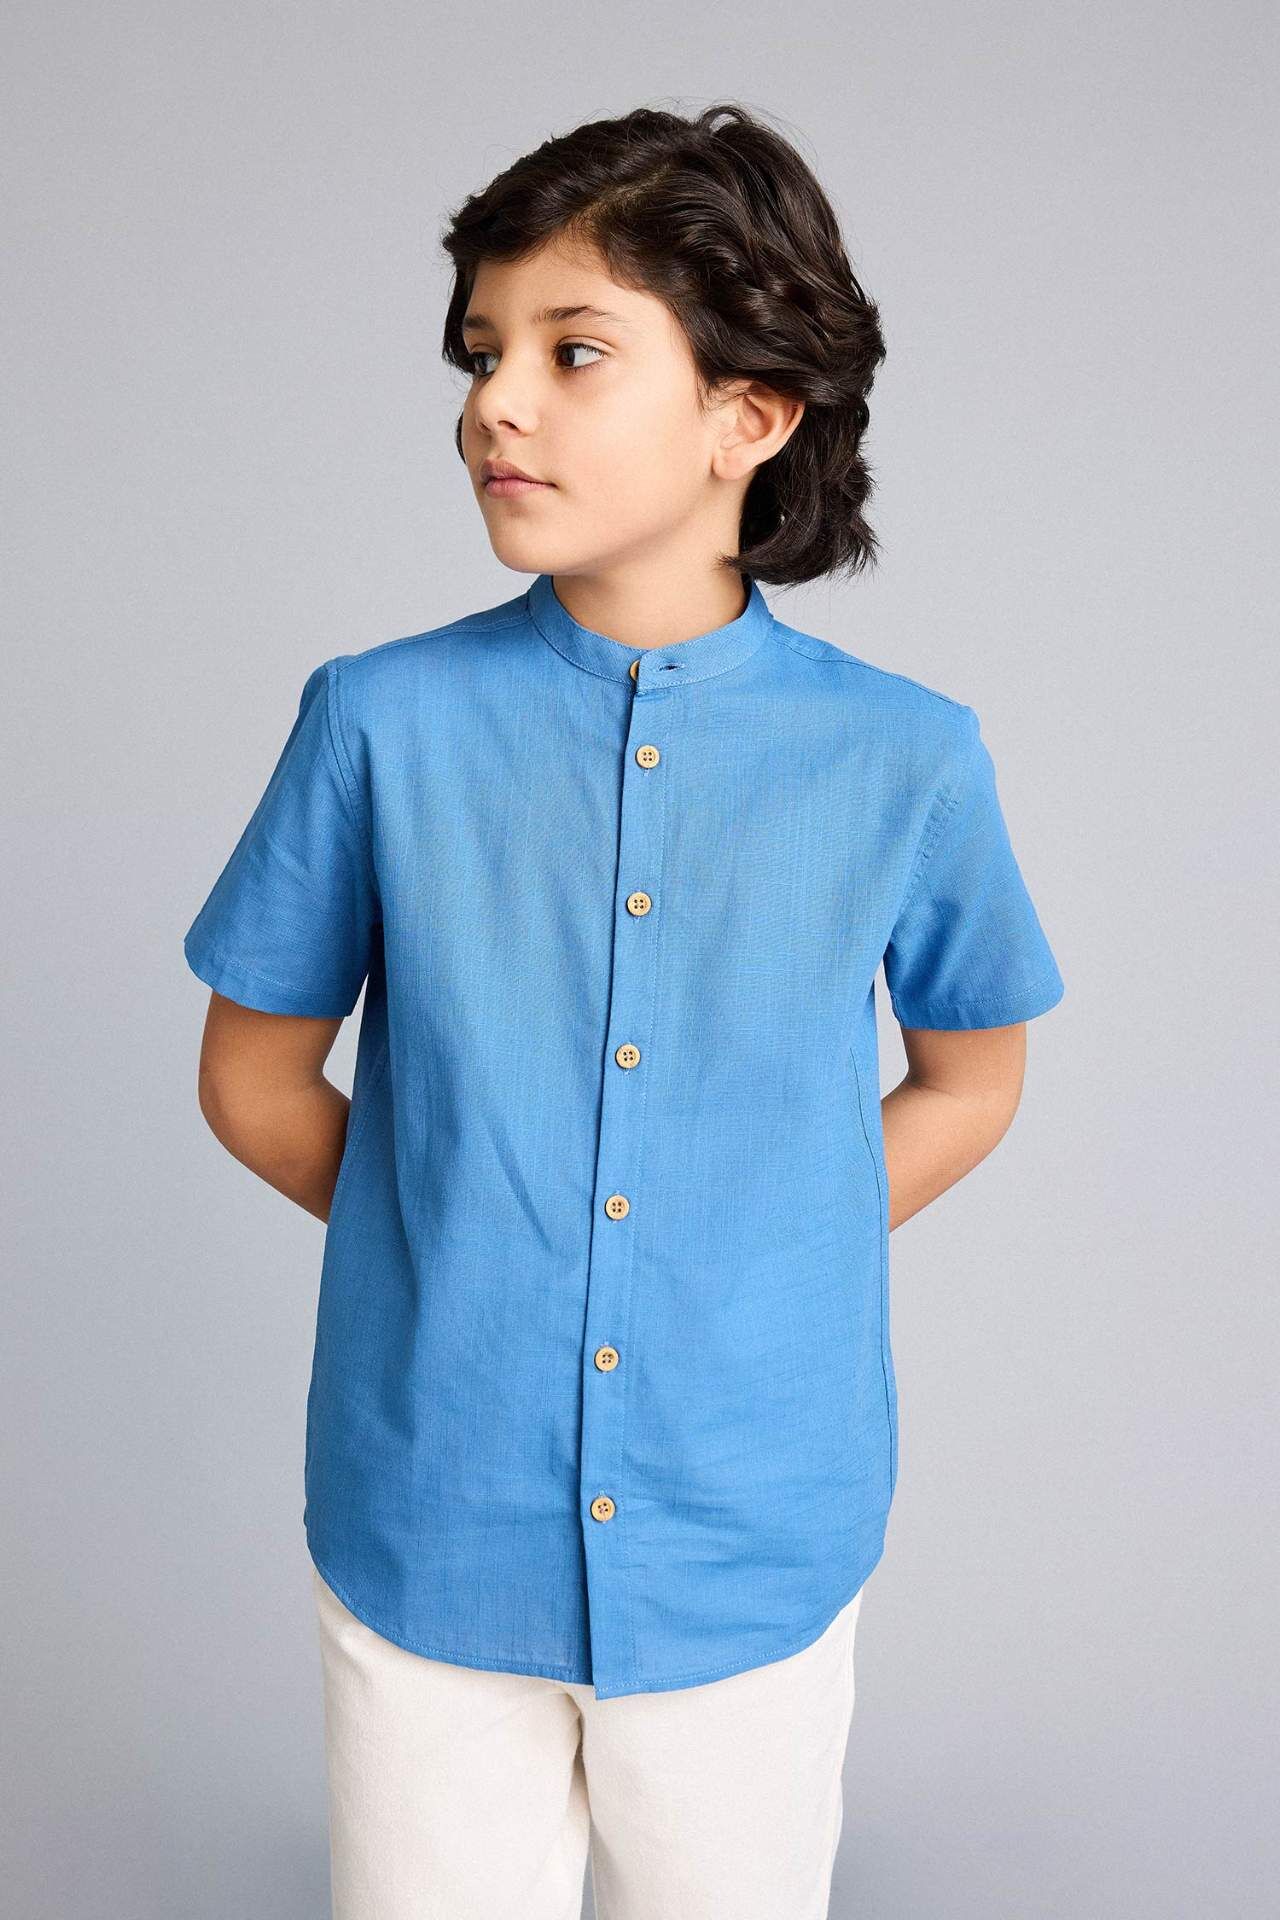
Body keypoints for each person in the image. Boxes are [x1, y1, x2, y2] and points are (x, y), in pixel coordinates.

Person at [184, 100, 1065, 1920]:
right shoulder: (378, 724)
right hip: (430, 1511)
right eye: (481, 355)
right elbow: (257, 1078)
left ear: (754, 412)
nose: (494, 406)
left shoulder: (905, 759)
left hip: (752, 1520)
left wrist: (765, 1243)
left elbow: (973, 1079)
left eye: (573, 353)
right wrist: (458, 1236)